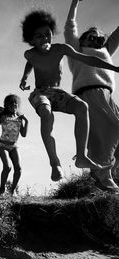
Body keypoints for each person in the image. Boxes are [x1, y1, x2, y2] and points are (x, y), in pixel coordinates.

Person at [19, 10, 119, 182]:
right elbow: (31, 62)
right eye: (39, 36)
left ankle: (82, 157)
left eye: (47, 34)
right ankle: (55, 163)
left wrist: (115, 68)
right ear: (31, 40)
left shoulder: (62, 49)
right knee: (46, 113)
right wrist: (25, 77)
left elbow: (91, 58)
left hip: (60, 92)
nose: (44, 39)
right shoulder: (32, 54)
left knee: (83, 107)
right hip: (42, 93)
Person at [64, 0, 119, 193]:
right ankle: (103, 174)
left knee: (105, 137)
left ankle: (102, 175)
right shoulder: (76, 51)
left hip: (107, 96)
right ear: (83, 40)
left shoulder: (104, 51)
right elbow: (70, 27)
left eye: (99, 40)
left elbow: (117, 33)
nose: (96, 41)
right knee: (112, 129)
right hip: (89, 94)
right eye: (91, 38)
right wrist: (75, 2)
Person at [0, 94, 28, 196]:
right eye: (11, 104)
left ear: (18, 105)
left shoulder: (19, 118)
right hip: (3, 145)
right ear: (7, 106)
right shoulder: (3, 117)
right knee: (7, 167)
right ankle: (2, 189)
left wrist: (26, 121)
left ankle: (13, 191)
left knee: (18, 168)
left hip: (14, 146)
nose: (13, 106)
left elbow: (24, 134)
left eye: (15, 104)